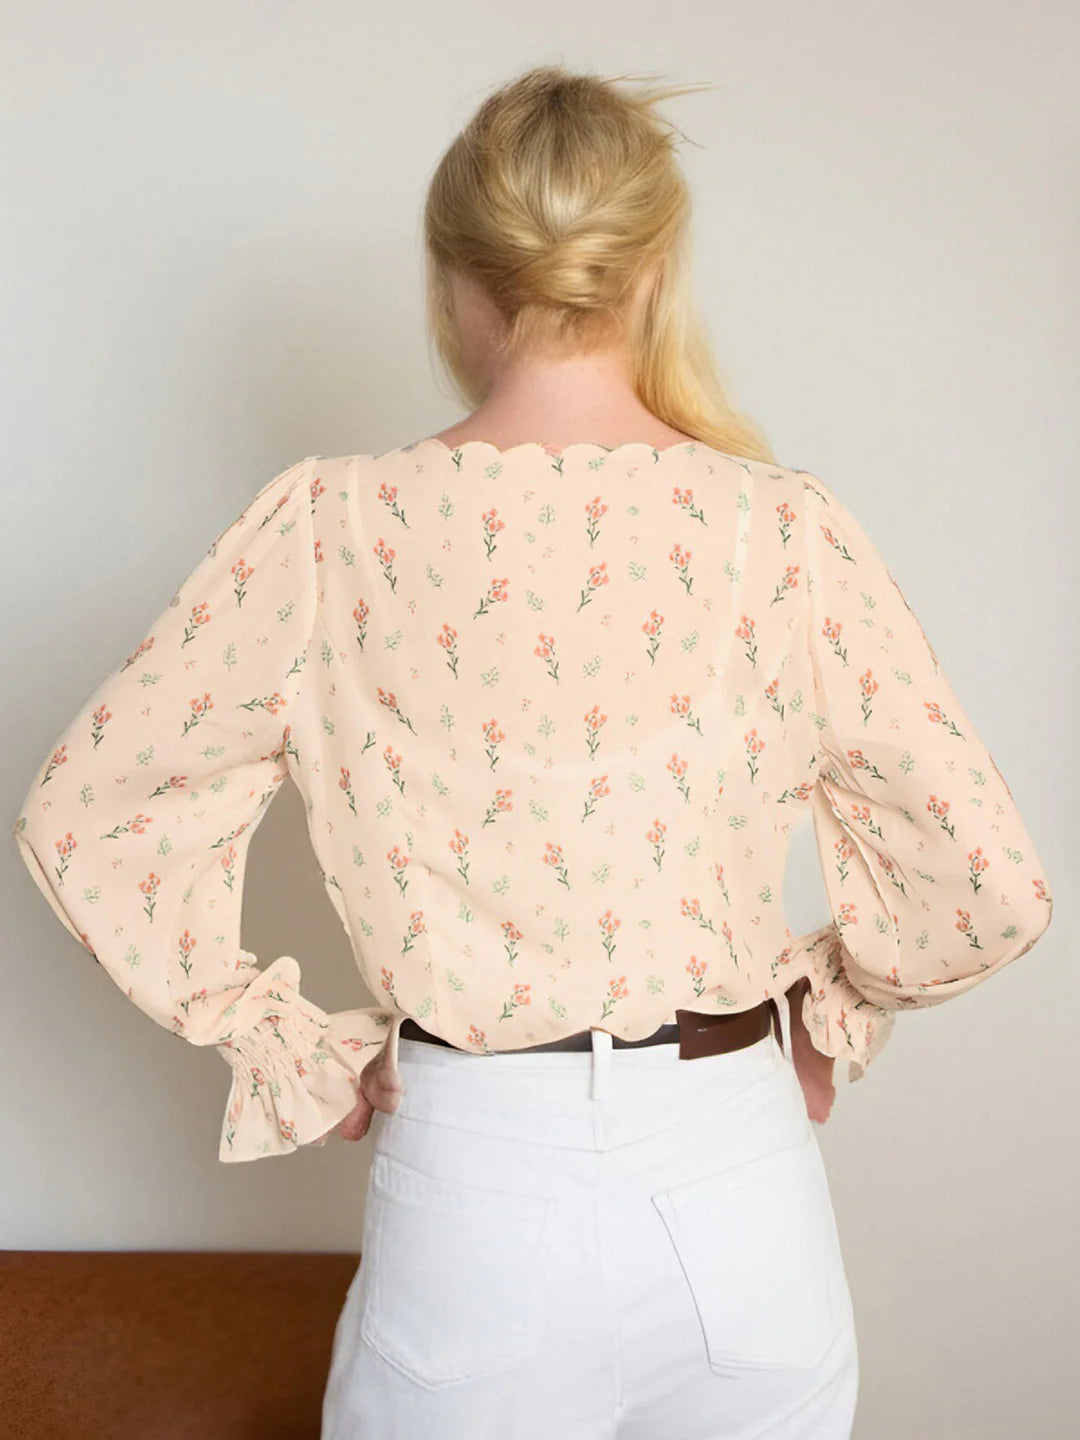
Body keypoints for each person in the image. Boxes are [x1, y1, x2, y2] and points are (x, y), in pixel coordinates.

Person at [12, 64, 1053, 1440]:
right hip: (737, 1187)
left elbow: (90, 813)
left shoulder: (329, 529)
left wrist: (289, 1049)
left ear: (459, 283)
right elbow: (987, 880)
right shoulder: (782, 531)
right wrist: (830, 1006)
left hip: (474, 1193)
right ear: (652, 274)